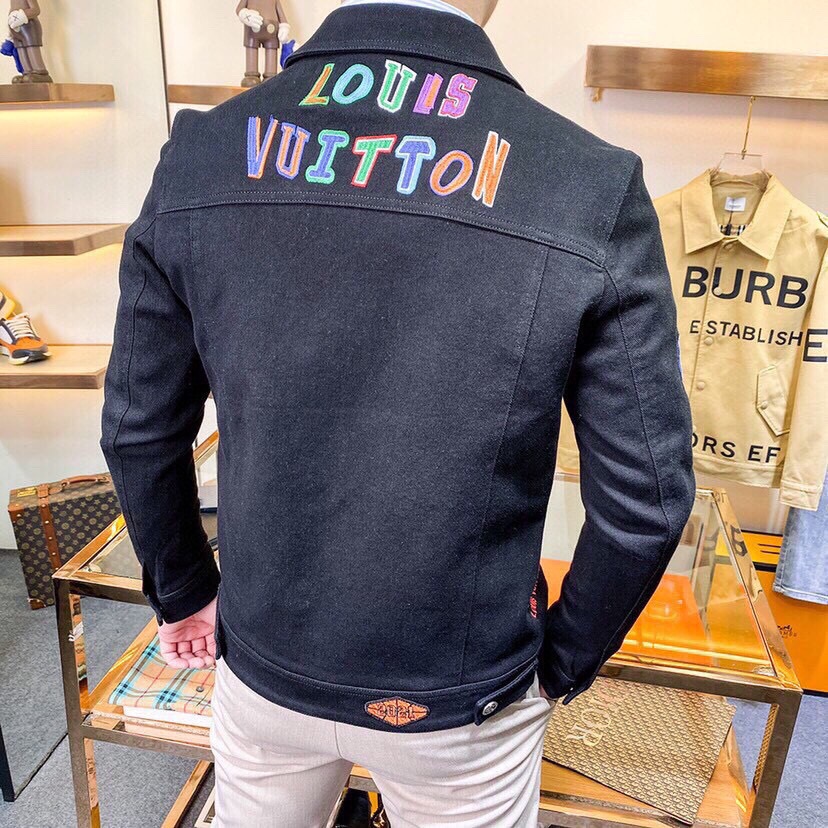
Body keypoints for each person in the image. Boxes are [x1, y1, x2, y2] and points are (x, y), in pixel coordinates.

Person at [100, 1, 695, 826]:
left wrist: (184, 590)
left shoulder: (201, 154)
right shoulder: (587, 184)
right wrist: (562, 662)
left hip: (266, 656)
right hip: (460, 696)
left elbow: (138, 431)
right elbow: (648, 501)